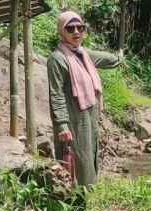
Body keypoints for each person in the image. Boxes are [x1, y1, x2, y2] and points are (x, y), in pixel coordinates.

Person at [48, 11, 120, 186]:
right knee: (75, 158)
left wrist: (120, 55)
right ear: (61, 32)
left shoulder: (83, 54)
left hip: (89, 116)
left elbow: (111, 60)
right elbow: (55, 94)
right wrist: (62, 125)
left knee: (89, 155)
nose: (76, 32)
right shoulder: (58, 59)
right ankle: (75, 201)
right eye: (70, 28)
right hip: (72, 118)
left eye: (80, 28)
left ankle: (87, 195)